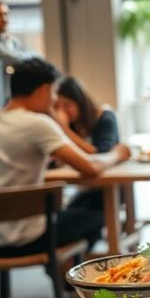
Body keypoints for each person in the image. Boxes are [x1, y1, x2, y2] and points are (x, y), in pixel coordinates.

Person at [0, 58, 130, 255]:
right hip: (27, 238)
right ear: (44, 90)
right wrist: (117, 153)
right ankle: (75, 272)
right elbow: (90, 167)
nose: (54, 101)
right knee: (102, 213)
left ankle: (71, 269)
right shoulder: (37, 124)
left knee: (75, 208)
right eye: (54, 92)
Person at [53, 76, 120, 211]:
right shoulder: (71, 125)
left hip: (109, 189)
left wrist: (65, 130)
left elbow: (102, 155)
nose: (62, 112)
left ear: (80, 102)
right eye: (57, 106)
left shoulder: (105, 117)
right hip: (82, 187)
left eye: (67, 105)